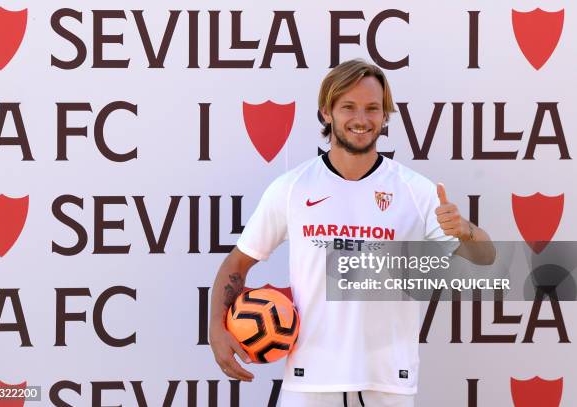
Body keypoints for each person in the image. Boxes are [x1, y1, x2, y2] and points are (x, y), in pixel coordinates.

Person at [209, 59, 495, 407]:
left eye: (373, 108)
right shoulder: (293, 188)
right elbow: (237, 265)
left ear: (385, 116)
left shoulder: (415, 190)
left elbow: (486, 258)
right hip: (309, 381)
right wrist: (216, 329)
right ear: (326, 113)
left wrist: (464, 230)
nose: (361, 119)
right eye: (348, 107)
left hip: (388, 383)